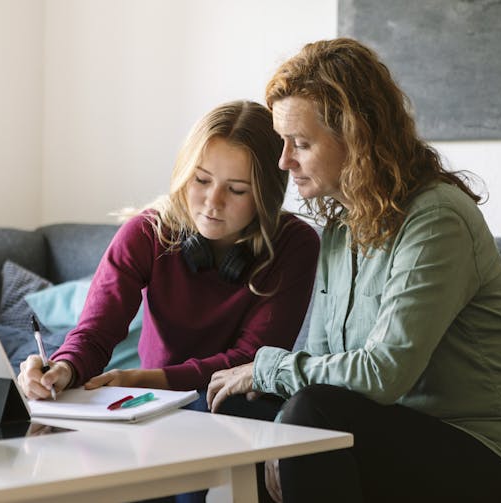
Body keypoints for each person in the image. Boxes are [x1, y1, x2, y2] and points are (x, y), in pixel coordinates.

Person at [206, 39, 501, 502]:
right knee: (238, 405)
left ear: (357, 137)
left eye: (302, 144)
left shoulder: (435, 219)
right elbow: (321, 363)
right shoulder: (339, 229)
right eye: (282, 142)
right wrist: (280, 427)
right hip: (393, 430)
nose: (283, 161)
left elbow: (384, 373)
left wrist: (272, 376)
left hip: (492, 450)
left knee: (310, 411)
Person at [18, 100, 319, 404]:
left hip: (236, 399)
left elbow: (253, 359)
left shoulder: (295, 244)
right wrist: (63, 367)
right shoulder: (147, 232)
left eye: (237, 189)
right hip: (154, 398)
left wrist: (145, 379)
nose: (213, 201)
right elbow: (96, 331)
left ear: (266, 196)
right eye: (201, 180)